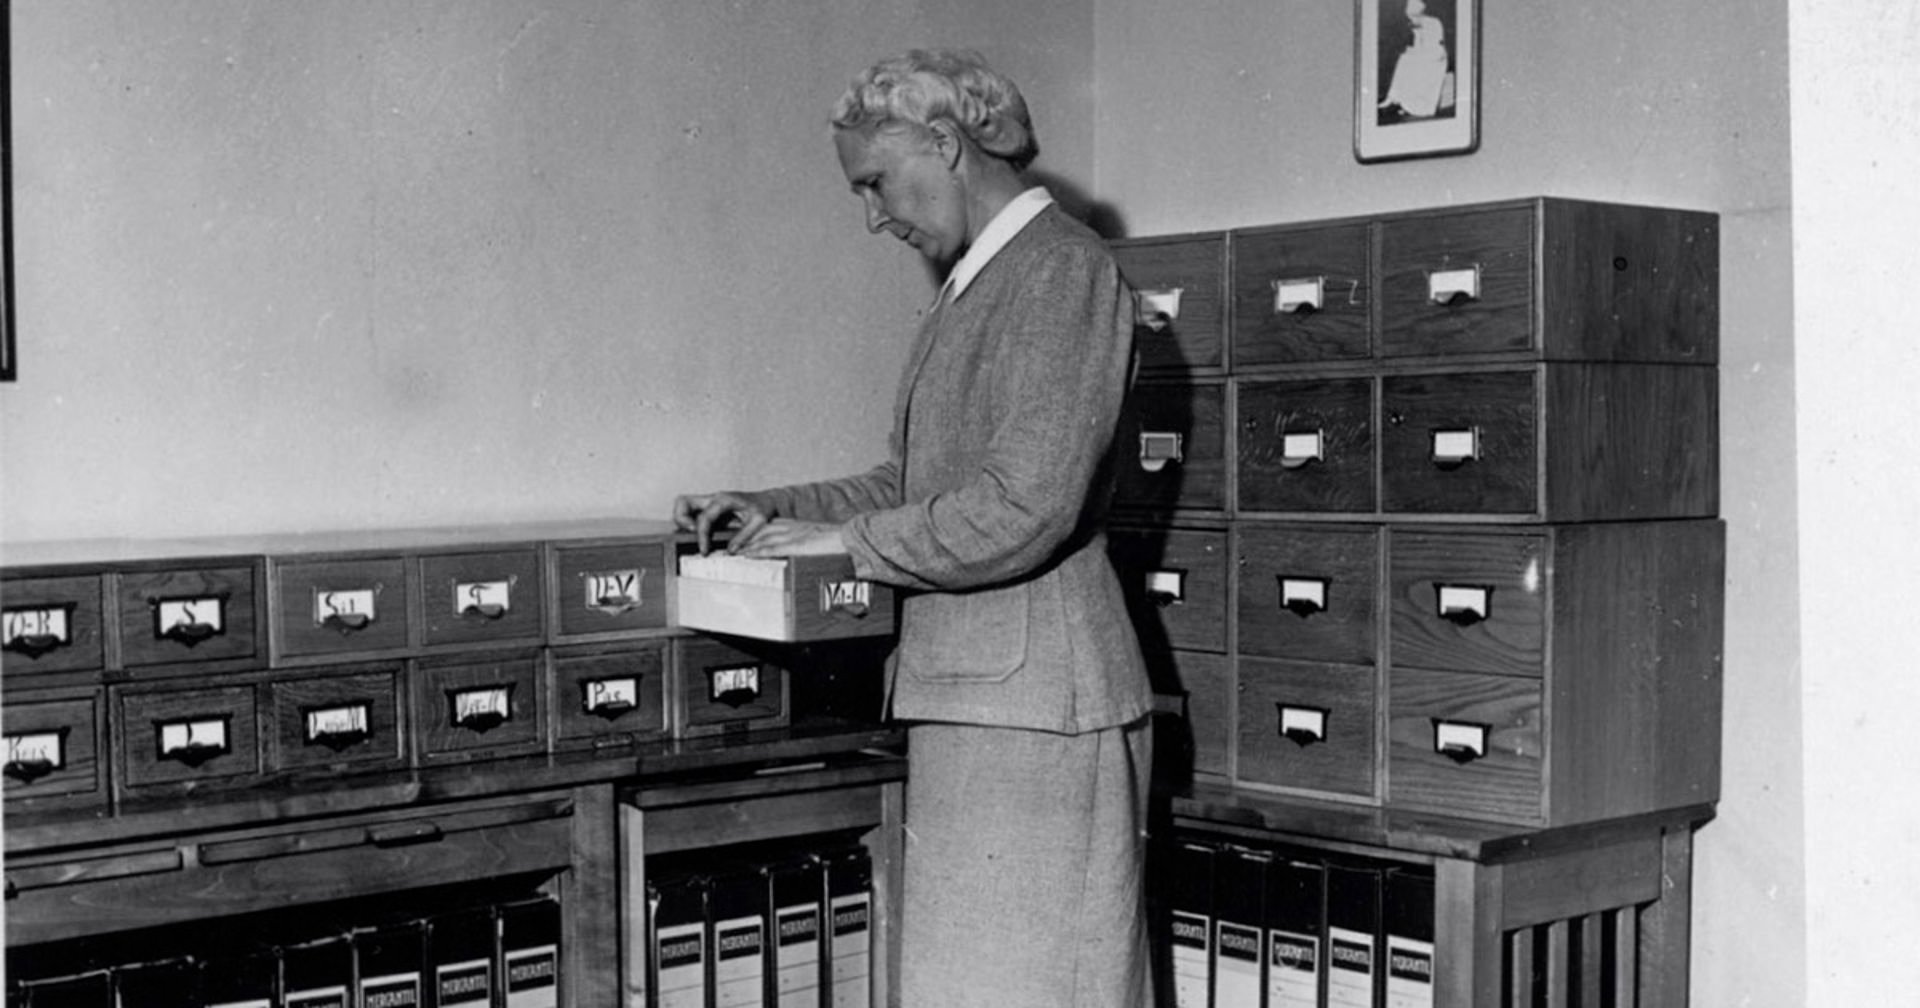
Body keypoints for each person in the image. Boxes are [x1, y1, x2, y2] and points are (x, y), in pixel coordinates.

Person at [671, 48, 1155, 1008]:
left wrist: (842, 546)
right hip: (981, 699)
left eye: (877, 183)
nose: (874, 215)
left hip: (1039, 707)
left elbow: (1026, 506)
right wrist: (780, 512)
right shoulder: (977, 284)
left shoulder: (1061, 271)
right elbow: (913, 483)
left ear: (945, 143)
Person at [1378, 0, 1452, 120]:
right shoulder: (1416, 27)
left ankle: (1409, 103)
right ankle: (1394, 98)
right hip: (1426, 54)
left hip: (1437, 56)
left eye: (1413, 17)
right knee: (1405, 59)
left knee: (1410, 62)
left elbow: (1437, 46)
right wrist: (1413, 51)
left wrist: (1418, 53)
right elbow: (1419, 46)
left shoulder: (1434, 22)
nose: (1412, 20)